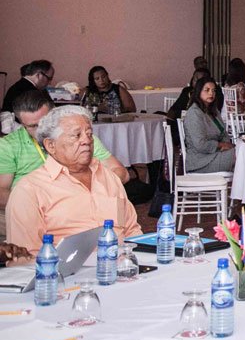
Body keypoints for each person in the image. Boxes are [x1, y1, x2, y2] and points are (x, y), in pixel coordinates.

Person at [5, 105, 141, 254]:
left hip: (122, 262)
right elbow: (26, 256)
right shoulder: (29, 190)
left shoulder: (108, 177)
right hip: (65, 268)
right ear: (51, 145)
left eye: (89, 134)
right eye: (76, 135)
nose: (86, 141)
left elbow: (131, 230)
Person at [0, 91, 127, 232]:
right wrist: (37, 205)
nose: (40, 130)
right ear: (22, 124)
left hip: (80, 205)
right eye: (32, 126)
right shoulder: (8, 145)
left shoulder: (83, 139)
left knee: (118, 221)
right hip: (30, 208)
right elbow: (2, 191)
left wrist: (91, 196)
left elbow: (121, 172)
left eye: (45, 122)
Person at [182, 77, 236, 174]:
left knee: (243, 152)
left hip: (217, 154)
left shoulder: (214, 111)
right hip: (201, 161)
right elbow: (200, 144)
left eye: (213, 90)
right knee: (240, 155)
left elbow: (224, 134)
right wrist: (221, 145)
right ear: (198, 92)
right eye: (207, 90)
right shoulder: (194, 113)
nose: (211, 93)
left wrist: (226, 145)